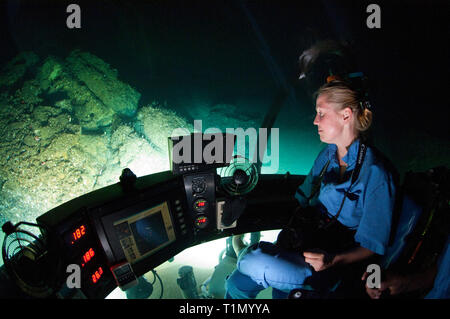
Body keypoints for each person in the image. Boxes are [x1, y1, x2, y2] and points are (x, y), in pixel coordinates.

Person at [225, 80, 398, 299]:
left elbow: (372, 246)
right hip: (308, 242)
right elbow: (302, 199)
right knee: (234, 284)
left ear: (346, 115)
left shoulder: (378, 174)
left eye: (321, 113)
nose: (316, 121)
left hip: (333, 263)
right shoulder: (326, 156)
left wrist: (332, 259)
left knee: (253, 259)